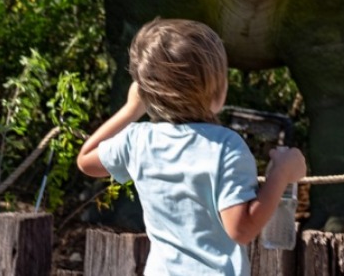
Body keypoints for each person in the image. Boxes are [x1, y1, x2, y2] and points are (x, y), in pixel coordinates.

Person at [77, 18, 307, 276]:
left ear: (145, 91)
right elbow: (242, 229)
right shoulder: (226, 147)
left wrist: (131, 109)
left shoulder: (138, 141)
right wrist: (281, 175)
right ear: (217, 93)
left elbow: (86, 160)